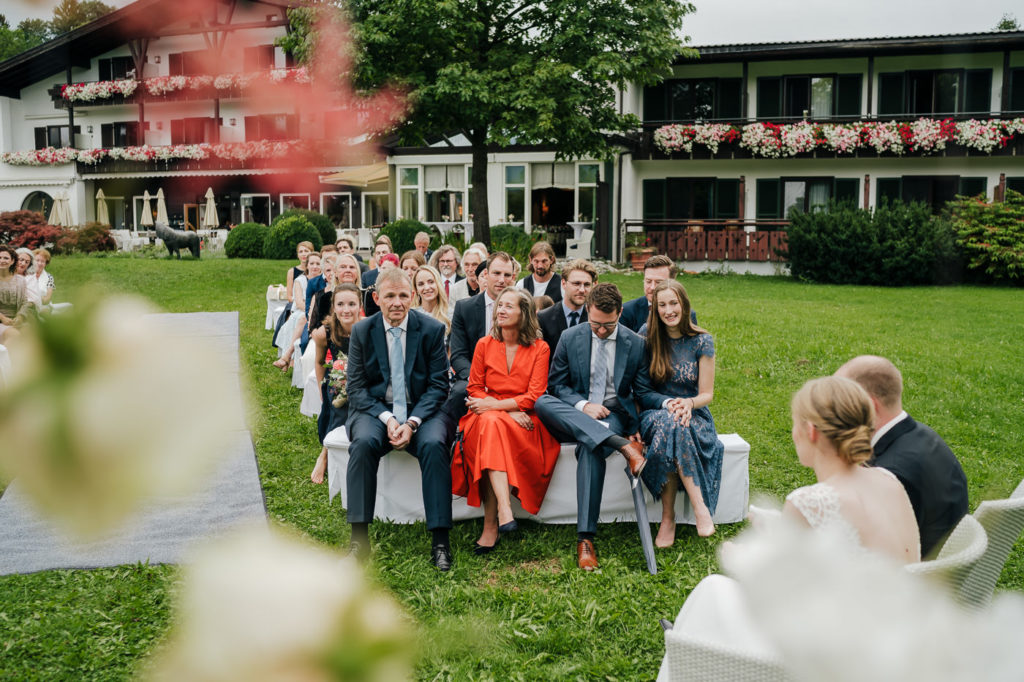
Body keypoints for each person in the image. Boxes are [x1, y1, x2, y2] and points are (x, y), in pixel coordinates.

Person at [534, 283, 656, 571]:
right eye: (595, 324)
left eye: (608, 325)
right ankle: (622, 447)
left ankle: (585, 539)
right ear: (587, 311)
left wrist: (637, 425)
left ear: (620, 313)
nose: (601, 331)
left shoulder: (635, 343)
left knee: (591, 446)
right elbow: (557, 385)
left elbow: (640, 391)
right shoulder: (569, 336)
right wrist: (582, 406)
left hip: (612, 415)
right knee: (541, 402)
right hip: (575, 412)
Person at [345, 268, 456, 570]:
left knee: (434, 445)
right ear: (377, 298)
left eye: (403, 295)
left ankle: (440, 541)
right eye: (390, 296)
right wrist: (387, 418)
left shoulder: (431, 330)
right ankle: (359, 540)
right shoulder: (362, 331)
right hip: (375, 409)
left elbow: (438, 386)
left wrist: (412, 422)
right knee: (364, 443)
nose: (397, 302)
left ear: (413, 297)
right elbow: (355, 387)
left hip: (422, 409)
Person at [451, 288, 561, 553]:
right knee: (490, 426)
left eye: (508, 306)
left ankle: (492, 524)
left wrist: (498, 407)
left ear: (524, 314)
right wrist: (503, 410)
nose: (500, 310)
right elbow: (475, 388)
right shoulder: (484, 344)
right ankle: (504, 508)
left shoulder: (540, 348)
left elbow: (535, 395)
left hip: (523, 420)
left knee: (492, 428)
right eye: (500, 306)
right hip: (488, 416)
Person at [836, 355, 967, 558]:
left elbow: (872, 555)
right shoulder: (923, 436)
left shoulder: (890, 474)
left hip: (915, 579)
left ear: (868, 406)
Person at [786, 375, 920, 563]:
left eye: (794, 423)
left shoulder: (806, 503)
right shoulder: (889, 480)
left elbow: (784, 586)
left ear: (811, 430)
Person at [639, 280, 723, 544]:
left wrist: (688, 404)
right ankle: (701, 509)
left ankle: (668, 518)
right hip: (655, 412)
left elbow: (706, 394)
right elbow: (641, 390)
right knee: (672, 422)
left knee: (676, 425)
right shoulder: (647, 336)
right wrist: (672, 405)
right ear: (655, 309)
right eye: (662, 305)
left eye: (673, 303)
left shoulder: (702, 341)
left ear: (684, 305)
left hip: (694, 414)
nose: (668, 310)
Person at [448, 252, 517, 418]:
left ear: (513, 277)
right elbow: (458, 355)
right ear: (485, 274)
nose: (502, 280)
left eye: (507, 275)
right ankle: (458, 439)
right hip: (473, 376)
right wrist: (480, 381)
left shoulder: (521, 308)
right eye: (496, 273)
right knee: (458, 393)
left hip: (512, 378)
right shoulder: (464, 308)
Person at [310, 284, 362, 485]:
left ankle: (329, 452)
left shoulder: (367, 327)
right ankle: (324, 454)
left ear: (359, 306)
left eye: (351, 304)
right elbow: (320, 361)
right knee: (338, 393)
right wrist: (322, 388)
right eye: (340, 304)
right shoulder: (324, 332)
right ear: (333, 307)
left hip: (363, 379)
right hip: (337, 378)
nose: (346, 309)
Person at [273, 251, 321, 370]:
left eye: (318, 263)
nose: (315, 266)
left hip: (317, 311)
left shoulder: (323, 280)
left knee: (301, 319)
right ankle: (289, 357)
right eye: (312, 263)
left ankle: (288, 357)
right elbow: (299, 303)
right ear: (307, 265)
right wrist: (311, 310)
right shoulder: (300, 280)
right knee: (298, 318)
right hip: (302, 310)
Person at [537, 259, 596, 352]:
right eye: (576, 283)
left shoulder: (595, 320)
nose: (582, 289)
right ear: (564, 283)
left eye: (587, 285)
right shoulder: (543, 318)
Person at [620, 254, 684, 332]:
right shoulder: (627, 312)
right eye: (648, 281)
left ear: (672, 282)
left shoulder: (685, 314)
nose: (652, 287)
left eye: (658, 282)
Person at [271, 241, 313, 348]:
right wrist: (299, 303)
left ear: (312, 253)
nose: (304, 254)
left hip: (311, 302)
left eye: (306, 251)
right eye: (301, 252)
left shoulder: (315, 270)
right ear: (297, 254)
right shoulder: (292, 271)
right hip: (295, 302)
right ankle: (289, 346)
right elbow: (289, 296)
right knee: (292, 318)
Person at [0, 245, 30, 343]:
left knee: (32, 334)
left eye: (6, 258)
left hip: (16, 320)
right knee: (14, 336)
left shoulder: (20, 280)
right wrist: (3, 318)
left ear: (12, 261)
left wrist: (20, 317)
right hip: (1, 321)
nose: (2, 260)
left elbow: (25, 302)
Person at [413, 265, 451, 337]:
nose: (427, 287)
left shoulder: (451, 314)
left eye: (431, 282)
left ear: (438, 284)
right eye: (421, 284)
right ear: (416, 289)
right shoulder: (412, 316)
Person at [448, 247, 485, 313]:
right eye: (467, 265)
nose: (470, 269)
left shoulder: (489, 288)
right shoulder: (454, 290)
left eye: (474, 265)